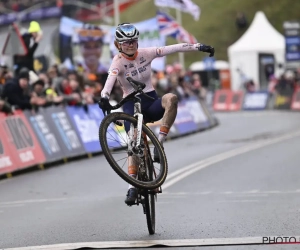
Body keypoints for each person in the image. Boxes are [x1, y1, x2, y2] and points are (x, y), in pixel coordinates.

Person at [99, 23, 214, 206]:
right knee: (133, 139)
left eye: (133, 41)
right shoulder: (117, 62)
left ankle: (159, 144)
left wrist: (198, 46)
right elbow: (109, 81)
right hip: (130, 105)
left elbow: (172, 48)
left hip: (150, 100)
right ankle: (133, 185)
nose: (130, 45)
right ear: (118, 44)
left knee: (171, 98)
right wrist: (104, 96)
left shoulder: (147, 52)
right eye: (126, 42)